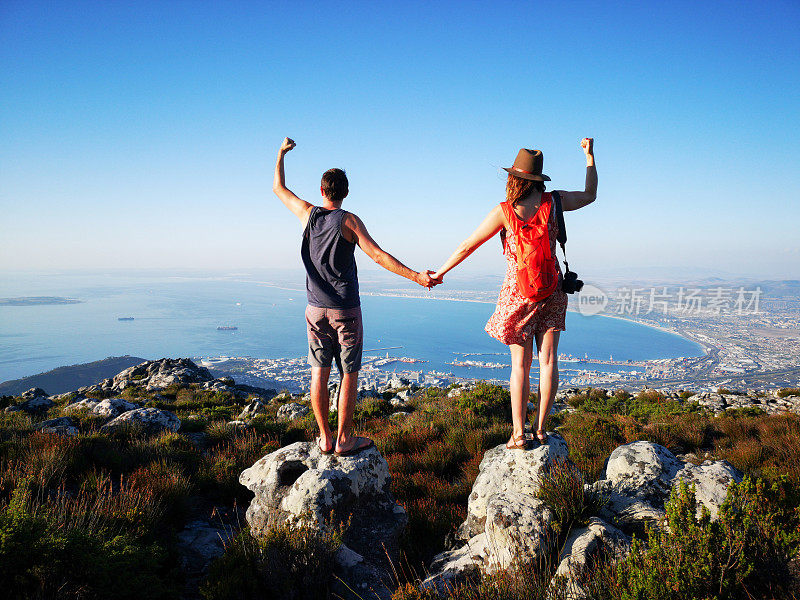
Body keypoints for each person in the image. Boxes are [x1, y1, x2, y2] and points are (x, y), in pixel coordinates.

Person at [273, 137, 438, 456]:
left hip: (314, 310)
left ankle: (324, 439)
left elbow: (279, 188)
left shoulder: (308, 214)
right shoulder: (348, 220)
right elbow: (378, 255)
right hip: (346, 310)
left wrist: (281, 154)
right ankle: (345, 439)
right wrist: (417, 276)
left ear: (322, 191)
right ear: (345, 192)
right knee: (349, 373)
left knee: (318, 373)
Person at [432, 139, 597, 449]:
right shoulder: (554, 202)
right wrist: (590, 158)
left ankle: (518, 434)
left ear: (514, 178)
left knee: (520, 367)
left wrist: (440, 273)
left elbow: (469, 245)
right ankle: (541, 430)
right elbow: (590, 195)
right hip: (552, 291)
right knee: (548, 361)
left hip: (517, 295)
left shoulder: (504, 211)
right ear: (538, 178)